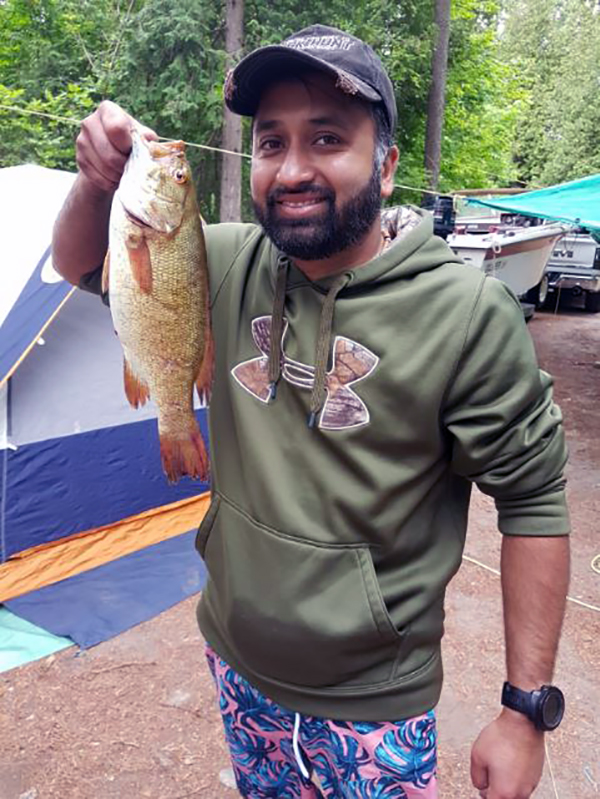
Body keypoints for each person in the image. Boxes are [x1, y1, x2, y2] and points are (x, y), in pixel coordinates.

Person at [52, 24, 570, 799]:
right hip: (235, 662)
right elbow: (79, 263)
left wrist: (525, 710)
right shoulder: (215, 260)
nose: (292, 169)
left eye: (327, 138)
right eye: (270, 143)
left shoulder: (467, 315)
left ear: (387, 164)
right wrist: (98, 181)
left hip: (375, 708)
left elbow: (534, 501)